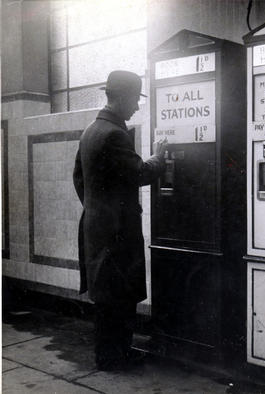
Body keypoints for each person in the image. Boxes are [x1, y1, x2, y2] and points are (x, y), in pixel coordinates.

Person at [73, 70, 167, 370]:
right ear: (123, 98)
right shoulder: (114, 134)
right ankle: (117, 357)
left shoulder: (91, 130)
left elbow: (78, 178)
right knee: (120, 296)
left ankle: (110, 355)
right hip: (116, 231)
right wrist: (159, 157)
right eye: (135, 101)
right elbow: (140, 172)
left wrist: (97, 207)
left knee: (107, 298)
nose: (137, 107)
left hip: (97, 227)